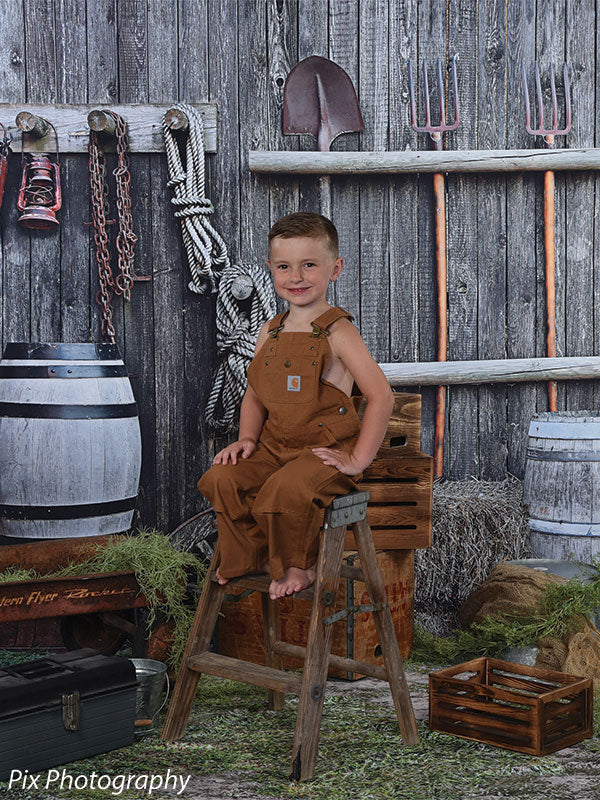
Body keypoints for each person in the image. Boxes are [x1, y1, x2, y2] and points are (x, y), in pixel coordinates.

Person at [198, 212, 394, 600]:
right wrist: (247, 439)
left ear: (335, 269)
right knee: (223, 478)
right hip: (273, 450)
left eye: (309, 265)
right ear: (270, 268)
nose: (296, 277)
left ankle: (298, 566)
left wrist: (357, 460)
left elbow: (381, 397)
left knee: (286, 489)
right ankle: (250, 557)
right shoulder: (269, 331)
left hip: (320, 454)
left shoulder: (339, 331)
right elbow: (254, 394)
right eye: (284, 266)